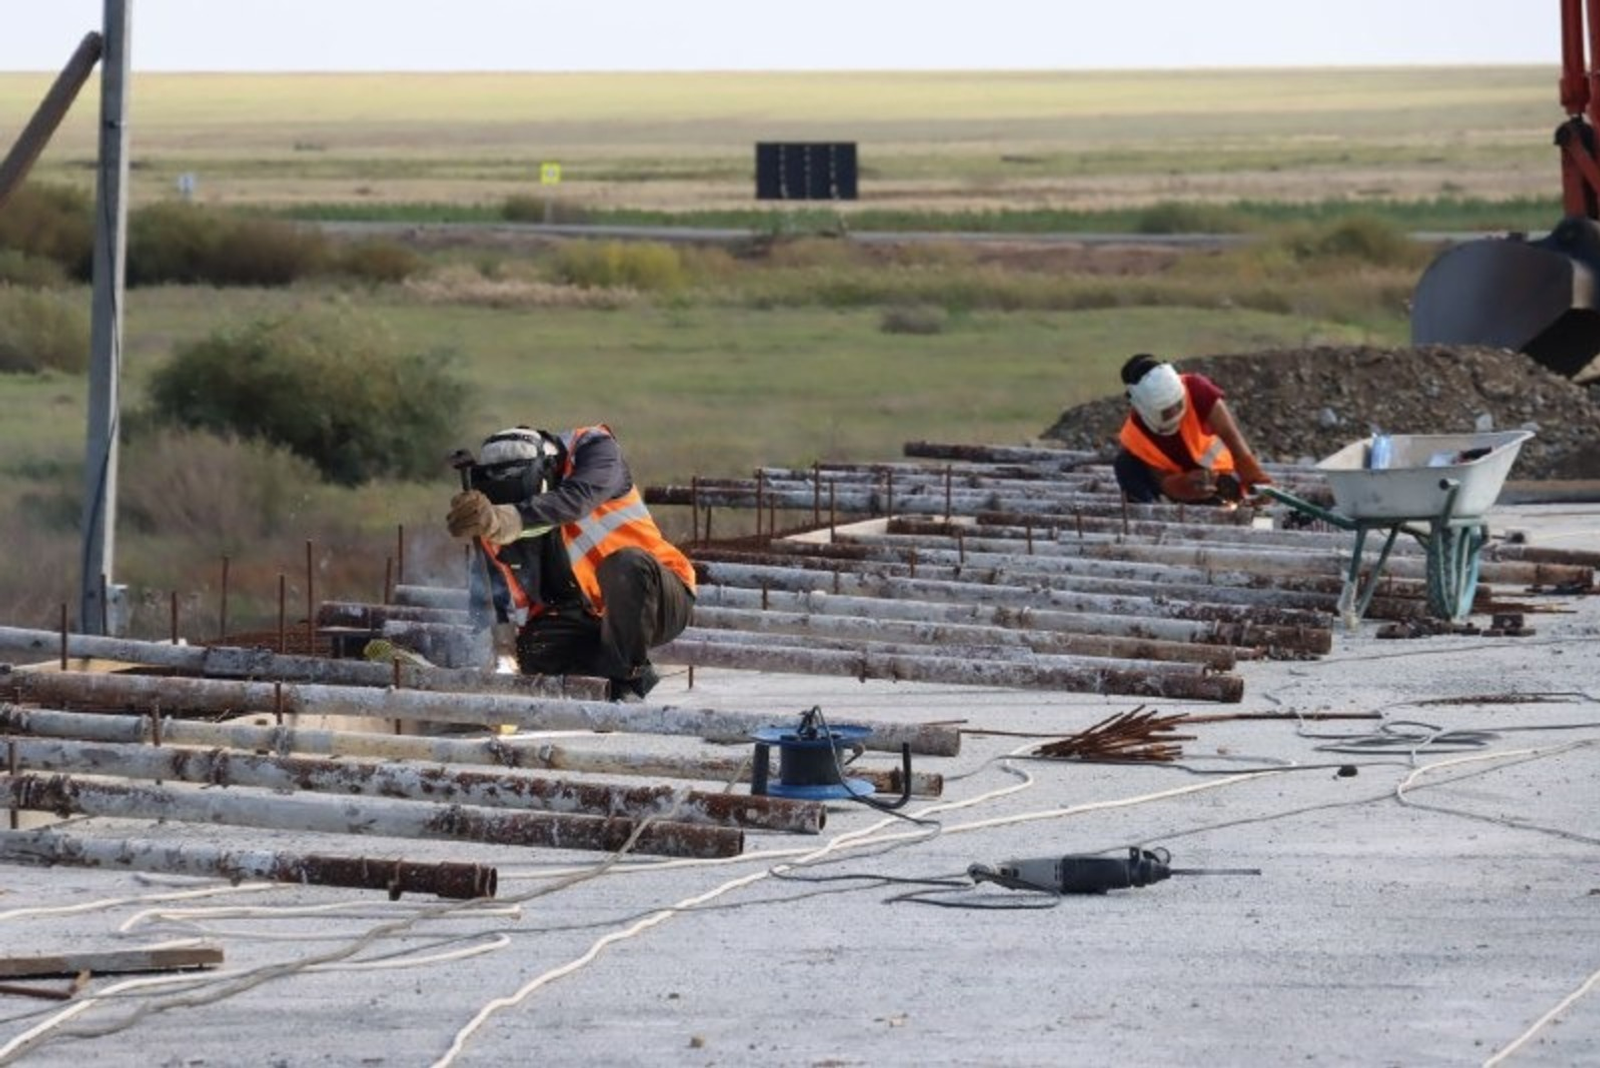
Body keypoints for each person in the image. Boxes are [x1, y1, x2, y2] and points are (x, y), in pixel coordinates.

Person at [446, 424, 695, 701]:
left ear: (545, 474)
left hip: (657, 601)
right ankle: (606, 674)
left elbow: (576, 500)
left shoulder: (595, 450)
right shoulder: (495, 518)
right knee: (534, 650)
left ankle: (627, 679)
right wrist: (499, 645)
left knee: (626, 565)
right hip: (587, 614)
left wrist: (513, 518)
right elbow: (491, 588)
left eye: (522, 504)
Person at [1113, 354, 1273, 504]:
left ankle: (1222, 492)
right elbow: (1160, 478)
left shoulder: (1196, 389)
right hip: (1178, 482)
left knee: (1220, 488)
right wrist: (1181, 485)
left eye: (1178, 404)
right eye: (1167, 411)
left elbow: (1230, 436)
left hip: (1214, 468)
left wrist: (1255, 478)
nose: (1176, 412)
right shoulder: (1135, 434)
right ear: (1144, 408)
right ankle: (1150, 512)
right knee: (1125, 464)